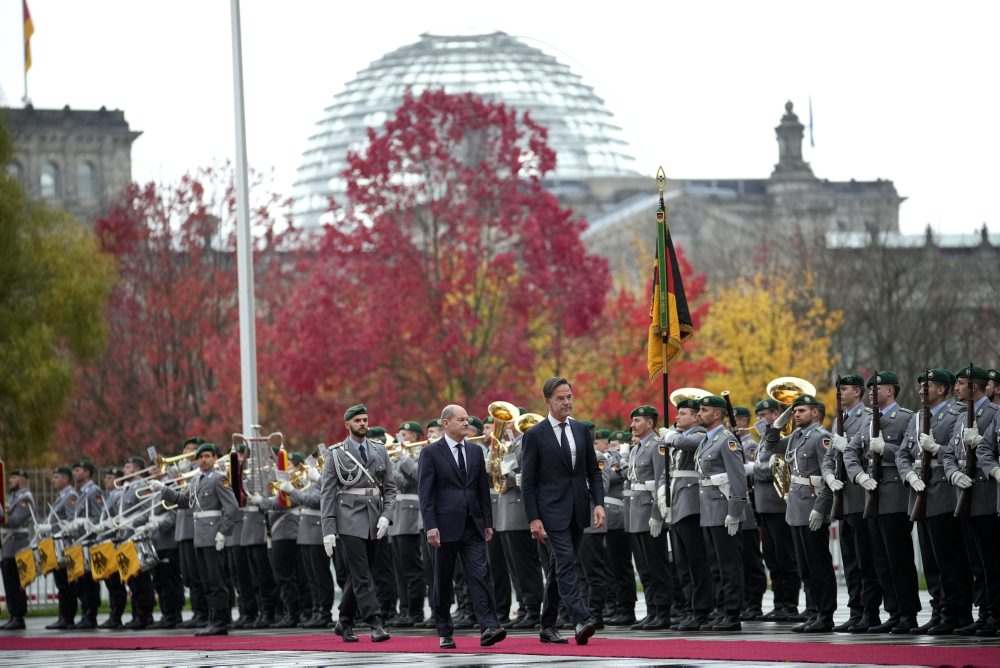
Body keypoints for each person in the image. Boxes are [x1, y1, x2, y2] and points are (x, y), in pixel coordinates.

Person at [521, 376, 605, 646]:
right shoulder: (534, 435)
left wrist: (599, 503)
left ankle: (547, 625)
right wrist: (533, 517)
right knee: (567, 561)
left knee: (560, 567)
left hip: (578, 509)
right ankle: (581, 617)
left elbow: (592, 471)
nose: (567, 401)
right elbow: (528, 482)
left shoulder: (581, 430)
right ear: (548, 401)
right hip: (550, 512)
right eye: (560, 398)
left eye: (569, 396)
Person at [418, 404, 506, 649]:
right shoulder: (431, 453)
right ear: (446, 423)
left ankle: (488, 626)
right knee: (443, 581)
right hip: (444, 528)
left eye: (467, 419)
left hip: (472, 525)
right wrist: (431, 526)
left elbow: (481, 491)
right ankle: (444, 630)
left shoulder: (476, 452)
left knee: (480, 575)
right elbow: (426, 494)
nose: (467, 423)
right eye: (461, 419)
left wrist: (487, 522)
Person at [894, 369, 971, 635]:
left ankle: (956, 612)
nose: (920, 391)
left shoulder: (957, 414)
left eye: (927, 387)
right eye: (920, 387)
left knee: (948, 559)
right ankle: (939, 610)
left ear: (943, 389)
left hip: (943, 493)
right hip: (920, 492)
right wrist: (909, 476)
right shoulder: (917, 418)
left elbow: (958, 449)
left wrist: (937, 448)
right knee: (930, 560)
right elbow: (902, 453)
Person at [844, 370, 920, 633]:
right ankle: (893, 612)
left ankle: (908, 613)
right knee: (880, 561)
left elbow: (911, 451)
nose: (872, 392)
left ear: (891, 390)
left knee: (899, 559)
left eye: (878, 388)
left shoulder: (906, 418)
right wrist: (859, 476)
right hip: (871, 495)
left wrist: (885, 449)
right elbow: (851, 452)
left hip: (895, 496)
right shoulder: (867, 421)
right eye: (870, 388)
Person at [321, 404, 396, 643]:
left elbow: (390, 488)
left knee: (361, 573)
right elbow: (327, 493)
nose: (363, 424)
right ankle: (375, 622)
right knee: (362, 573)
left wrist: (387, 514)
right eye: (358, 421)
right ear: (348, 425)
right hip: (349, 518)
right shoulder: (335, 453)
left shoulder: (379, 449)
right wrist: (328, 529)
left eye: (365, 419)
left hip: (375, 516)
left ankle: (344, 621)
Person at [764, 395, 838, 632]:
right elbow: (771, 446)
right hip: (796, 509)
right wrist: (778, 423)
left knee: (818, 565)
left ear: (816, 413)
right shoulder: (796, 436)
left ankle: (825, 615)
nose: (796, 415)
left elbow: (828, 476)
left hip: (812, 507)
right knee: (805, 567)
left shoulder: (821, 438)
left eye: (801, 411)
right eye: (795, 411)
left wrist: (821, 509)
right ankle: (813, 612)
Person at [150, 442, 239, 636]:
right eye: (200, 457)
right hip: (199, 536)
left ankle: (221, 622)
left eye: (207, 456)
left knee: (217, 581)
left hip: (214, 535)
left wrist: (224, 532)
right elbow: (185, 502)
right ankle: (212, 619)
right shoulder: (196, 480)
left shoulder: (219, 479)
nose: (203, 460)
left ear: (215, 459)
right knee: (206, 581)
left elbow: (232, 508)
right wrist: (163, 490)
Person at [822, 373, 884, 632]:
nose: (840, 394)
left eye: (844, 389)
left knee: (865, 559)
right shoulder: (840, 421)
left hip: (861, 496)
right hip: (844, 498)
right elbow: (828, 458)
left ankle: (870, 612)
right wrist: (828, 476)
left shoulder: (868, 418)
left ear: (857, 392)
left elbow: (871, 452)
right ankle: (855, 609)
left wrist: (847, 445)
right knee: (850, 559)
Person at [943, 365, 1000, 636]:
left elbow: (990, 452)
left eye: (961, 383)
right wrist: (953, 474)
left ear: (974, 387)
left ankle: (995, 614)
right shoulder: (960, 417)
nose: (957, 388)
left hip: (987, 496)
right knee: (976, 562)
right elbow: (949, 455)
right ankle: (984, 612)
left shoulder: (993, 414)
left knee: (991, 561)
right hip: (965, 496)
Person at [659, 397, 714, 631]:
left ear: (695, 417)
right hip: (677, 506)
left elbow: (687, 445)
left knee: (696, 562)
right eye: (677, 413)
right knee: (682, 564)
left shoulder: (700, 435)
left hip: (691, 506)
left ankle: (701, 610)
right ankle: (689, 608)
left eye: (683, 413)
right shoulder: (679, 438)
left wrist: (670, 436)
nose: (677, 417)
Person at [694, 395, 748, 632]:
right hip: (709, 510)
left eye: (704, 410)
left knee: (729, 565)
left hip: (724, 510)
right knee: (715, 565)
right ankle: (721, 609)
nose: (699, 414)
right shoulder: (707, 440)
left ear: (717, 414)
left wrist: (735, 511)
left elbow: (738, 478)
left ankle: (733, 614)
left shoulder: (727, 441)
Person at [752, 398, 803, 621]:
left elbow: (777, 469)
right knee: (772, 559)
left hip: (779, 506)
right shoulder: (764, 440)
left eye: (765, 415)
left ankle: (789, 605)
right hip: (765, 506)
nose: (761, 420)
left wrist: (754, 469)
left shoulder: (781, 439)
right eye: (759, 416)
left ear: (776, 414)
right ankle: (779, 603)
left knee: (786, 558)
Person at [623, 404, 672, 630]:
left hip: (649, 514)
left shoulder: (657, 446)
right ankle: (651, 610)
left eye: (638, 421)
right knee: (643, 568)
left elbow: (662, 482)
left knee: (657, 566)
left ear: (650, 423)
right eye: (632, 421)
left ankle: (662, 612)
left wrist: (657, 515)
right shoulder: (636, 449)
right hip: (635, 514)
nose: (633, 425)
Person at [388, 420, 428, 627]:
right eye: (400, 432)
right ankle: (404, 610)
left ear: (414, 436)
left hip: (411, 515)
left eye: (405, 433)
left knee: (412, 568)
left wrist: (398, 461)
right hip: (397, 517)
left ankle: (415, 611)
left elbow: (406, 481)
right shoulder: (398, 455)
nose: (401, 436)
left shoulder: (420, 452)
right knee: (400, 570)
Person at [734, 405, 767, 621]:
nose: (730, 424)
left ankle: (754, 603)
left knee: (751, 558)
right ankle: (746, 601)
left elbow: (752, 473)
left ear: (743, 422)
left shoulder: (750, 445)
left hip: (749, 507)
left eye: (734, 420)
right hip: (739, 506)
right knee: (741, 559)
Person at [38, 466, 80, 630]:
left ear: (66, 479)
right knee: (61, 582)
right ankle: (63, 616)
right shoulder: (61, 497)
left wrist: (52, 528)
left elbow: (71, 522)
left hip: (65, 545)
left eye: (57, 477)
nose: (54, 480)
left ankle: (68, 617)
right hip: (57, 545)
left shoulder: (70, 496)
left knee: (65, 583)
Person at [0, 468, 34, 630]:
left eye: (13, 478)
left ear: (21, 480)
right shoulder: (12, 498)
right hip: (8, 546)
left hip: (17, 546)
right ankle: (13, 615)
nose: (9, 481)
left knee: (15, 583)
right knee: (9, 583)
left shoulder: (24, 498)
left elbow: (15, 520)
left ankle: (19, 617)